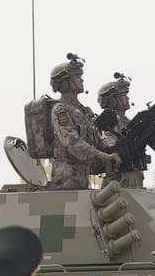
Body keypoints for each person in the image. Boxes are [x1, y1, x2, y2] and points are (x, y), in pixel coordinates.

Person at [47, 54, 120, 189]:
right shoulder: (60, 109)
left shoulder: (86, 111)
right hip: (66, 182)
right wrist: (102, 156)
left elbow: (98, 140)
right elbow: (71, 141)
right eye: (77, 76)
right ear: (64, 83)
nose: (82, 79)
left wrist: (114, 149)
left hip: (83, 179)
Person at [96, 72, 145, 188]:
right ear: (112, 100)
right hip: (116, 182)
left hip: (134, 178)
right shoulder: (106, 123)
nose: (127, 98)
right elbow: (110, 147)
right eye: (123, 95)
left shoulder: (129, 122)